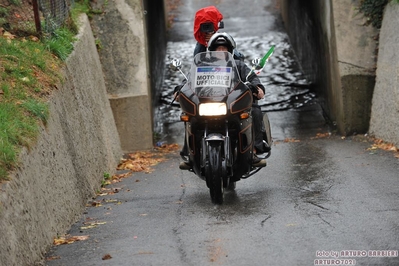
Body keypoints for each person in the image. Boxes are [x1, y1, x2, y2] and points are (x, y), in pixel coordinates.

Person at [175, 32, 269, 167]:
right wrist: (179, 90)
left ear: (230, 50)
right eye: (218, 49)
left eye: (224, 49)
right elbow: (188, 80)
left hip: (231, 104)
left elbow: (252, 78)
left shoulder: (239, 65)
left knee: (255, 111)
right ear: (211, 50)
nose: (221, 51)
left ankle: (254, 150)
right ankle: (190, 153)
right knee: (189, 116)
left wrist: (258, 88)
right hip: (207, 102)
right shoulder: (202, 66)